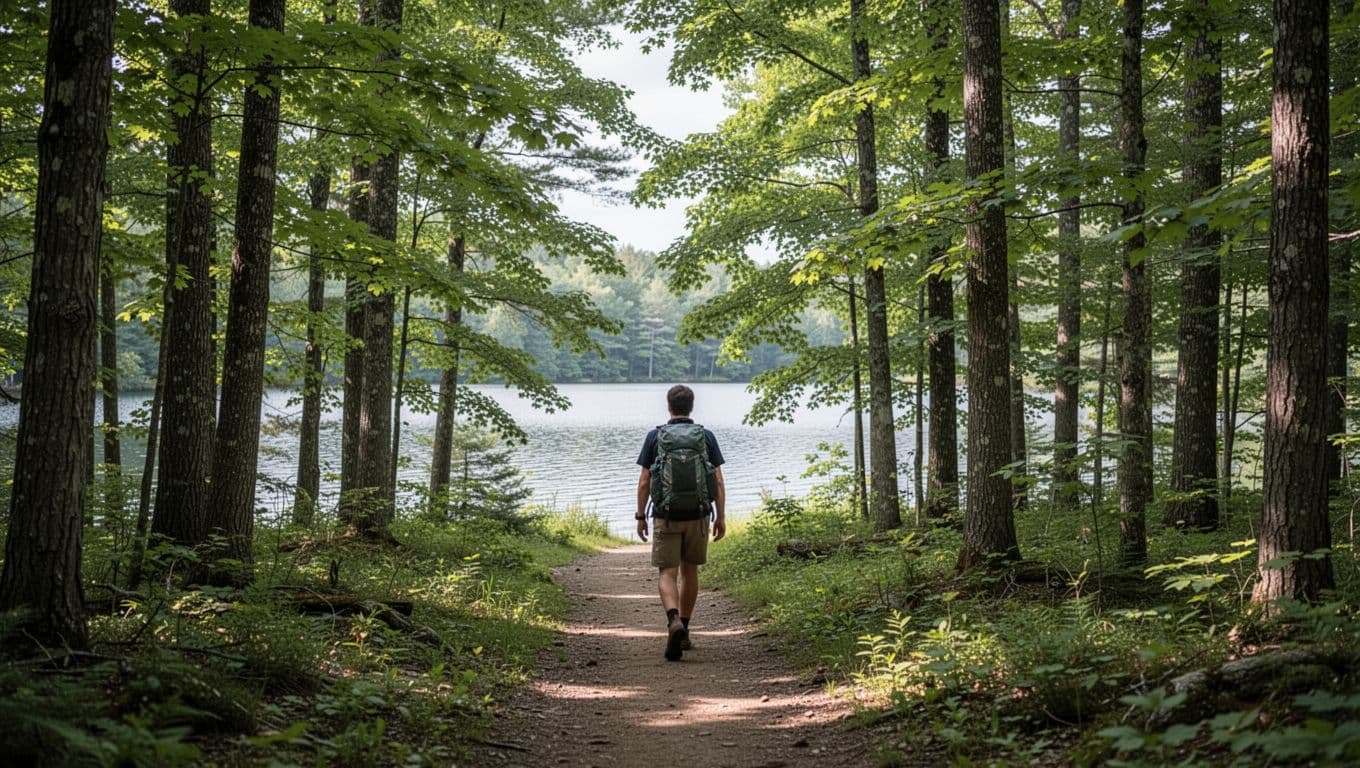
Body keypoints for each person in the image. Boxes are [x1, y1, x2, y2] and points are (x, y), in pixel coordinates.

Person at [636, 384, 726, 661]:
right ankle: (684, 629)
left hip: (667, 515)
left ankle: (672, 619)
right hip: (698, 514)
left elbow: (644, 481)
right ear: (691, 406)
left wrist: (640, 516)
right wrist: (720, 516)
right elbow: (718, 481)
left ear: (668, 407)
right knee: (691, 572)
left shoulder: (656, 436)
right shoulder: (705, 436)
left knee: (667, 573)